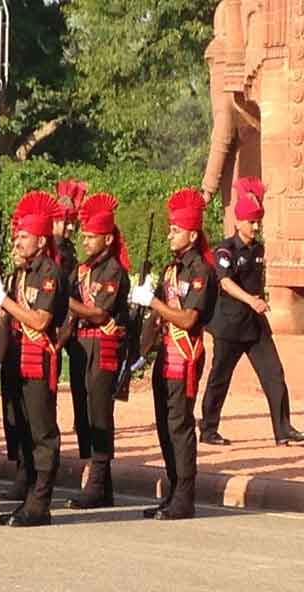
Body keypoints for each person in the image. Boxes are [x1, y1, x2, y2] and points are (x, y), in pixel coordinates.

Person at [130, 188, 219, 520]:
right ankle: (171, 491)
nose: (170, 234)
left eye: (175, 229)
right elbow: (159, 318)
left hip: (186, 356)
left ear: (192, 234)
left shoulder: (201, 271)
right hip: (165, 356)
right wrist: (139, 350)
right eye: (169, 228)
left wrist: (153, 303)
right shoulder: (172, 269)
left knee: (180, 427)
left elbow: (187, 318)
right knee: (164, 426)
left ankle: (185, 496)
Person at [200, 177, 304, 447]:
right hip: (230, 325)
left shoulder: (259, 248)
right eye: (251, 222)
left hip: (255, 325)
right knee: (219, 379)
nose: (255, 227)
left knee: (274, 375)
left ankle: (283, 430)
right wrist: (251, 300)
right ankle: (208, 429)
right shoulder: (226, 249)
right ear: (238, 222)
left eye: (258, 221)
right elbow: (224, 281)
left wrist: (261, 300)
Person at [0, 191, 68, 527]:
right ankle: (28, 496)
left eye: (23, 236)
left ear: (41, 239)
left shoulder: (49, 273)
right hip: (19, 359)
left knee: (42, 431)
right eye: (16, 236)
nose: (17, 242)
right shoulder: (23, 271)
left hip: (39, 359)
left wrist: (4, 301)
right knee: (21, 426)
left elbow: (39, 321)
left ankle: (41, 502)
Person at [64, 193, 132, 509]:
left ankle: (97, 479)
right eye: (84, 236)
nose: (85, 241)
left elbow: (100, 313)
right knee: (82, 412)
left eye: (91, 237)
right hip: (81, 346)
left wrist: (67, 303)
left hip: (103, 346)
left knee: (99, 413)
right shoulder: (82, 269)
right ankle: (102, 485)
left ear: (107, 238)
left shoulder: (113, 270)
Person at [55, 179, 92, 461]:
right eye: (65, 223)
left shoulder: (66, 251)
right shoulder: (54, 251)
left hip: (69, 320)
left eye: (72, 224)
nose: (70, 229)